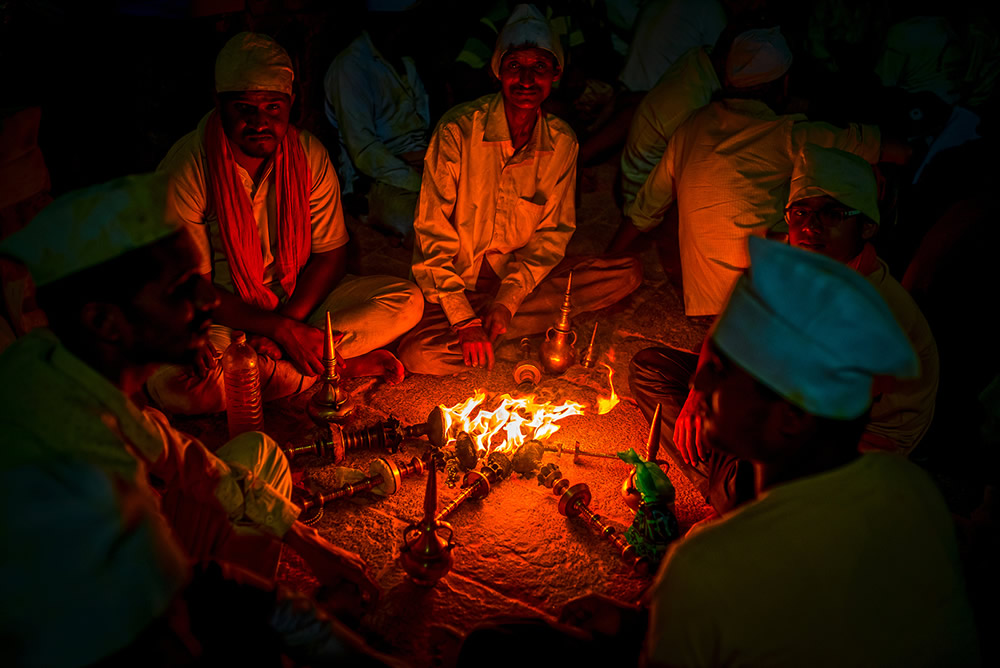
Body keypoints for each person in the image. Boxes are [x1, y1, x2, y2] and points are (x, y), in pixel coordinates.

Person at [0, 174, 390, 666]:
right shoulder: (86, 478)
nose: (209, 301)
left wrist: (305, 539)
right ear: (104, 321)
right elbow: (165, 621)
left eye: (202, 280)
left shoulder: (52, 358)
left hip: (142, 590)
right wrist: (309, 629)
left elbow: (183, 457)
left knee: (258, 455)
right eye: (181, 289)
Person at [643, 237, 979, 666]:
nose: (702, 384)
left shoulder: (703, 567)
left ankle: (727, 495)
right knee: (654, 366)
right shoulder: (907, 486)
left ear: (792, 416)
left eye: (723, 374)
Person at [629, 145, 937, 513]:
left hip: (856, 444)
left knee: (743, 478)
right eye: (801, 212)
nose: (810, 227)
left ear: (866, 226)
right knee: (650, 368)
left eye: (833, 214)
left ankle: (740, 496)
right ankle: (732, 485)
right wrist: (698, 392)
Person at [149, 31, 423, 415]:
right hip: (223, 314)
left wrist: (288, 325)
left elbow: (330, 255)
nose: (260, 122)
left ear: (291, 104)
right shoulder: (188, 167)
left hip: (297, 300)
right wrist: (279, 331)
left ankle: (292, 362)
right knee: (177, 387)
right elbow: (193, 288)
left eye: (272, 108)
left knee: (406, 301)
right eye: (244, 108)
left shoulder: (307, 154)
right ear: (219, 103)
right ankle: (332, 367)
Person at [398, 4, 642, 376]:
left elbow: (551, 237)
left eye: (539, 68)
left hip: (520, 284)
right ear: (498, 71)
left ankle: (495, 329)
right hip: (457, 281)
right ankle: (490, 332)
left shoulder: (562, 143)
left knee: (626, 273)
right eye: (515, 66)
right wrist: (463, 319)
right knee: (418, 354)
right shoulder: (457, 131)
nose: (526, 79)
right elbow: (431, 235)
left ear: (555, 74)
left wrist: (506, 302)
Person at [610, 27, 902, 317]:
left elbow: (645, 209)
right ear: (785, 84)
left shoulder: (691, 126)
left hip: (704, 305)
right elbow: (894, 150)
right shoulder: (786, 135)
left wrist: (608, 257)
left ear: (728, 79)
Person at [324, 0, 430, 242]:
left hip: (417, 166)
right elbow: (364, 151)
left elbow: (421, 127)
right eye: (406, 22)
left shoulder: (406, 63)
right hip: (376, 179)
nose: (412, 29)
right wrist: (418, 181)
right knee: (429, 226)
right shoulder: (351, 68)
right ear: (386, 23)